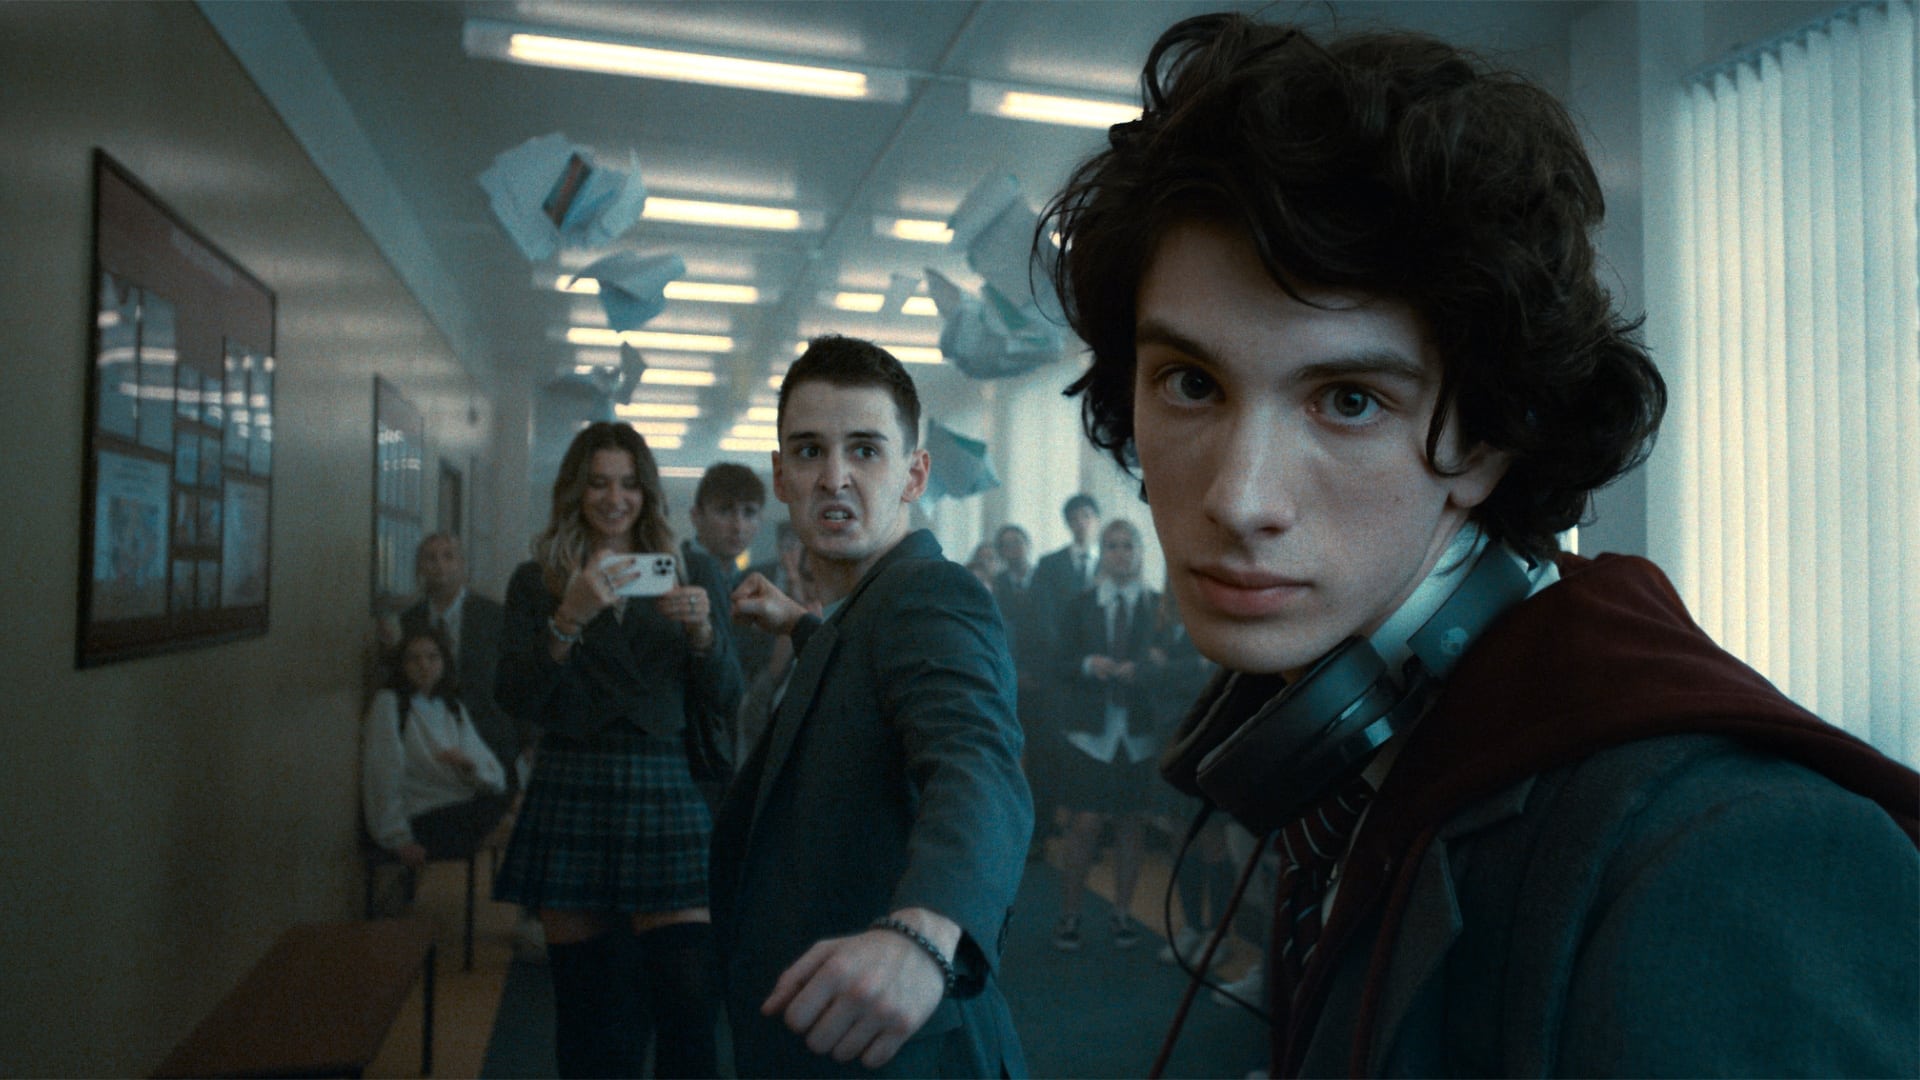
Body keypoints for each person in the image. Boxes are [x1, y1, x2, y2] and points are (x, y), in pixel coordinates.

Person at [1042, 12, 1919, 1077]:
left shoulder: (1730, 859)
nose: (1239, 497)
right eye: (1191, 383)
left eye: (1349, 399)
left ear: (1490, 439)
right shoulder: (1372, 754)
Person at [713, 335, 1032, 1077]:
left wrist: (924, 931)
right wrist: (801, 626)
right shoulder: (866, 609)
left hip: (904, 1049)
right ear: (781, 475)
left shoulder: (931, 594)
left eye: (865, 450)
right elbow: (866, 676)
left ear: (915, 474)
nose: (834, 477)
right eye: (809, 452)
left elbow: (976, 761)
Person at [493, 421, 745, 1078]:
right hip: (572, 781)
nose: (615, 498)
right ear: (576, 492)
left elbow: (726, 696)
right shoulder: (539, 579)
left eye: (629, 484)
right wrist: (568, 617)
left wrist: (703, 633)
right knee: (588, 1011)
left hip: (663, 784)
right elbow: (515, 696)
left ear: (647, 492)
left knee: (689, 1002)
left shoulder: (689, 571)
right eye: (599, 483)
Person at [1048, 519, 1168, 952]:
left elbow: (1172, 662)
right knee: (1084, 823)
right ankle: (1070, 914)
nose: (1121, 553)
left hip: (1137, 732)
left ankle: (1121, 913)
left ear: (1140, 552)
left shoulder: (1158, 605)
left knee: (1131, 825)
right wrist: (1088, 664)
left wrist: (1146, 668)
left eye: (1128, 545)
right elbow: (1057, 662)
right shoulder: (1081, 604)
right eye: (1113, 546)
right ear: (1103, 552)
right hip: (1090, 733)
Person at [362, 625, 511, 876]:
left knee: (514, 803)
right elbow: (382, 775)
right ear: (402, 665)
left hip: (458, 803)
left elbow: (489, 767)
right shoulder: (390, 704)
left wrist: (468, 765)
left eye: (432, 657)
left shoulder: (451, 707)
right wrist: (397, 838)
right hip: (421, 815)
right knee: (516, 820)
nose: (424, 665)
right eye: (414, 659)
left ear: (444, 662)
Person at [685, 461, 765, 591]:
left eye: (749, 512)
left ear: (760, 519)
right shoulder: (675, 575)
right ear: (697, 516)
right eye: (724, 511)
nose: (738, 526)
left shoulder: (750, 583)